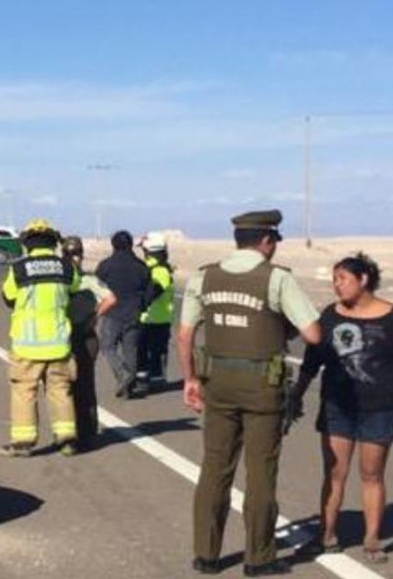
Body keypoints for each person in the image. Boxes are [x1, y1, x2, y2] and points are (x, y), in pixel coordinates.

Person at [177, 209, 321, 577]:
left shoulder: (205, 276)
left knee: (214, 469)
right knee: (260, 473)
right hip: (262, 390)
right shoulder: (276, 279)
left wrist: (190, 379)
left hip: (218, 385)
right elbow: (314, 335)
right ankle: (259, 557)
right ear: (267, 241)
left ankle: (206, 555)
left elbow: (186, 334)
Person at [291, 254, 393, 563]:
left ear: (363, 280)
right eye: (334, 280)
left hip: (379, 408)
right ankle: (327, 535)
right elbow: (312, 360)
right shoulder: (330, 315)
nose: (337, 286)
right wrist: (296, 394)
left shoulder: (390, 316)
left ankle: (372, 540)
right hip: (338, 407)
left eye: (343, 279)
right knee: (334, 472)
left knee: (372, 474)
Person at [0, 220, 115, 458]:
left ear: (27, 243)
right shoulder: (65, 267)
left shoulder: (18, 268)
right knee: (61, 391)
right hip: (59, 342)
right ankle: (66, 440)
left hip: (27, 345)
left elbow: (9, 297)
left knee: (24, 391)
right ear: (53, 242)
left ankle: (23, 441)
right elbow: (76, 289)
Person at [62, 235, 117, 451]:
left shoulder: (64, 282)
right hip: (86, 337)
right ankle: (86, 431)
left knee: (68, 387)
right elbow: (110, 298)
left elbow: (111, 299)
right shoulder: (88, 280)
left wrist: (93, 317)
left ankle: (74, 433)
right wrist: (94, 316)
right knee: (84, 385)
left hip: (73, 338)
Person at [96, 230, 151, 398]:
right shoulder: (141, 266)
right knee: (130, 350)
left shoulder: (105, 265)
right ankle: (129, 385)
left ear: (113, 245)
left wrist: (99, 307)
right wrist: (142, 306)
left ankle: (123, 375)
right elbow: (149, 291)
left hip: (112, 313)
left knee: (107, 346)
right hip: (133, 312)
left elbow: (97, 287)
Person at [139, 232, 175, 389]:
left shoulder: (158, 270)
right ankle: (150, 379)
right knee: (152, 353)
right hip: (157, 319)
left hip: (152, 319)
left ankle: (154, 380)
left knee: (152, 354)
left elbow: (154, 292)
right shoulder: (158, 269)